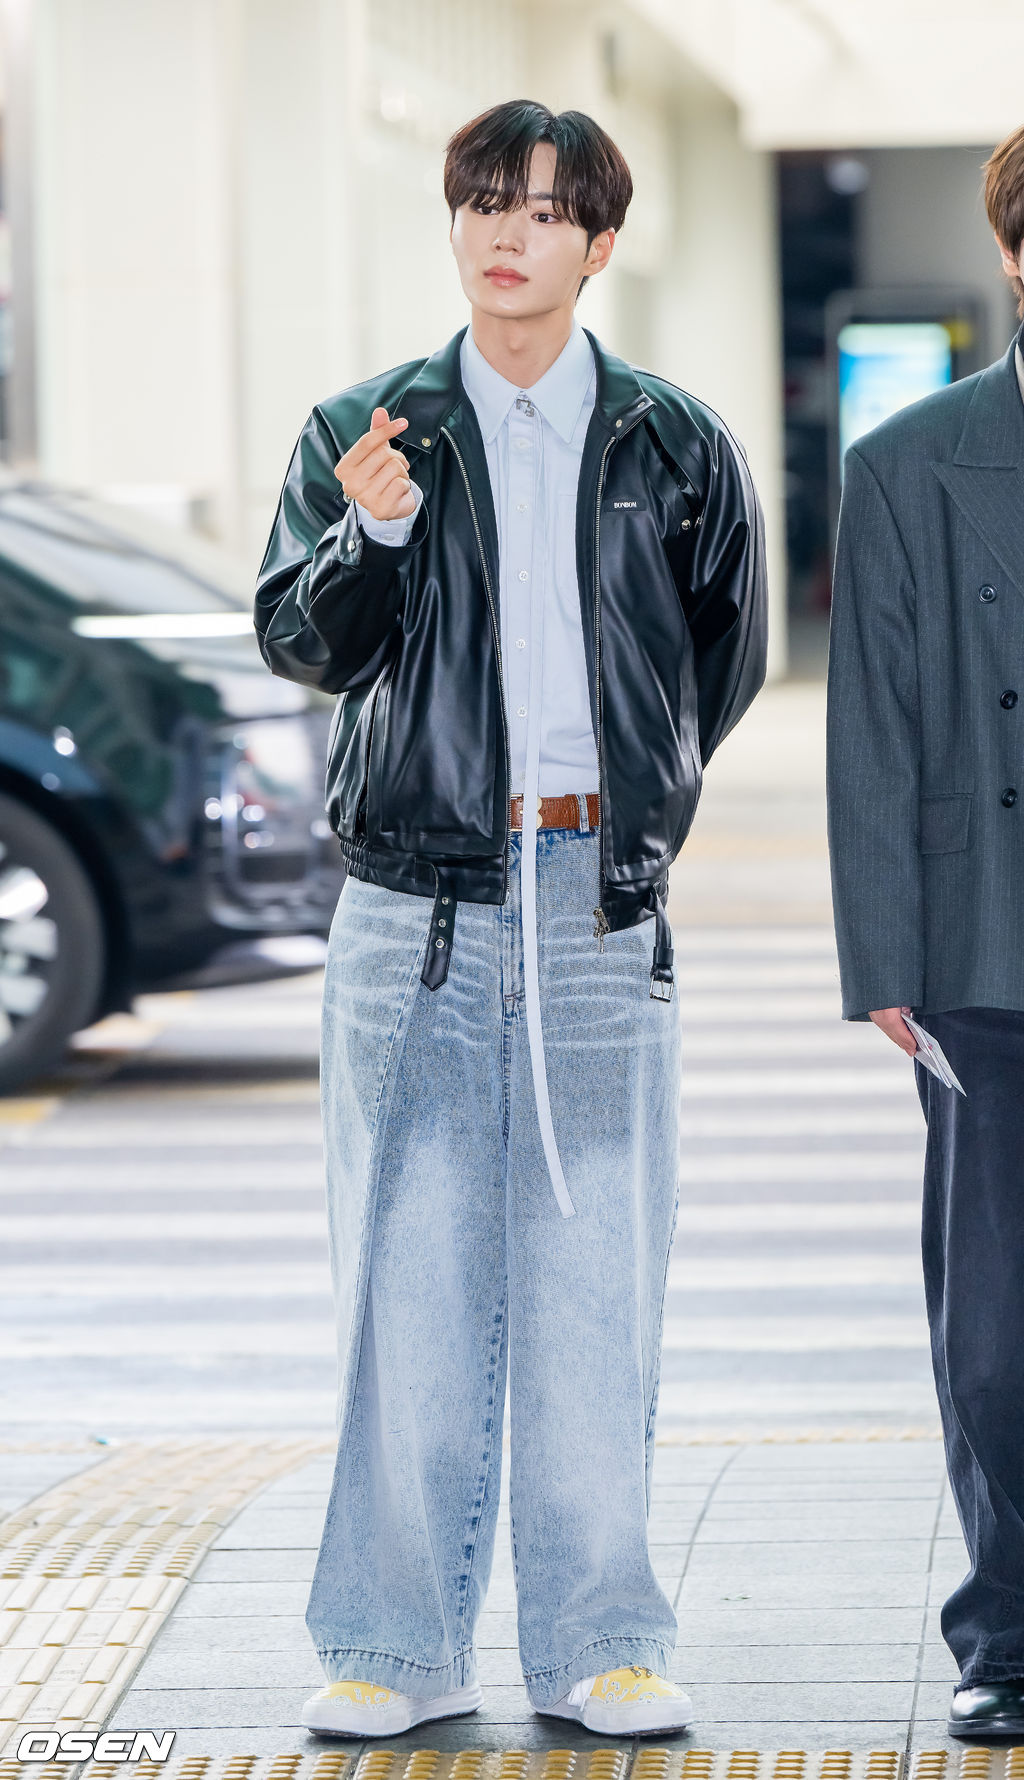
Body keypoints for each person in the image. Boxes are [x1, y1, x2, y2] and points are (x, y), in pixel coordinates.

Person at [255, 98, 767, 1742]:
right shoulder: (369, 431)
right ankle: (392, 1645)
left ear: (598, 244)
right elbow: (304, 644)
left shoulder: (674, 444)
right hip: (414, 911)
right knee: (402, 1282)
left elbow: (722, 659)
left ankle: (603, 1639)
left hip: (596, 906)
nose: (508, 232)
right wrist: (374, 532)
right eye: (486, 199)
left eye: (546, 210)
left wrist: (631, 813)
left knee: (597, 1279)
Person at [826, 124, 1024, 1745]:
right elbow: (873, 729)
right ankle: (1010, 1630)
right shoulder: (909, 461)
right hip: (987, 947)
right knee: (999, 1325)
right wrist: (885, 955)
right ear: (1014, 254)